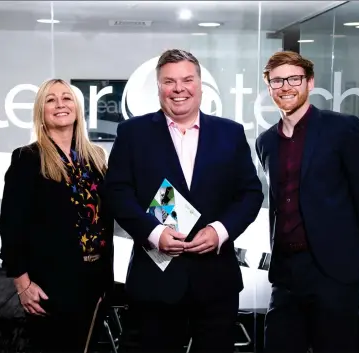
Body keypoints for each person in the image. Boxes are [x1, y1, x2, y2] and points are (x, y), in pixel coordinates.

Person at [105, 49, 264, 353]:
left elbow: (250, 193)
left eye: (187, 80)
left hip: (216, 282)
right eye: (169, 82)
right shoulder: (132, 134)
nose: (179, 89)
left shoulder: (230, 133)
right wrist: (154, 233)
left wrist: (220, 230)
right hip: (156, 281)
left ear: (200, 85)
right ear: (159, 88)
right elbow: (117, 193)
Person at [255, 51, 359, 353]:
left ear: (310, 82)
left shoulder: (342, 129)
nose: (286, 87)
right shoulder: (266, 142)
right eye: (277, 81)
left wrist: (358, 257)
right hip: (286, 273)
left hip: (332, 270)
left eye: (294, 79)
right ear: (269, 87)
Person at [0, 78, 114, 352]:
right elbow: (11, 226)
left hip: (96, 278)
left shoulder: (96, 157)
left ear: (77, 108)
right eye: (51, 99)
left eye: (67, 97)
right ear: (41, 111)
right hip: (52, 283)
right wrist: (22, 284)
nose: (60, 104)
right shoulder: (27, 158)